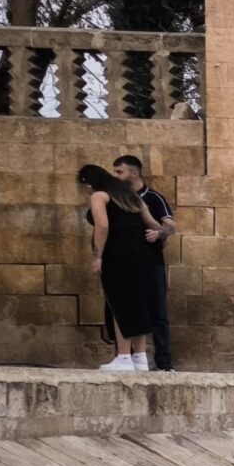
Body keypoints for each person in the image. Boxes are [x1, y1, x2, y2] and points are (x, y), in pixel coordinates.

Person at [78, 163, 158, 370]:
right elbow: (153, 224)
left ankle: (123, 358)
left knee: (120, 304)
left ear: (88, 184)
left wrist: (98, 256)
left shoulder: (99, 196)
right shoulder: (132, 197)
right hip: (142, 254)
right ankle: (140, 358)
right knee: (139, 304)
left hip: (118, 254)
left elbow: (103, 225)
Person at [111, 154, 176, 369]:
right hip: (126, 264)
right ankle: (127, 359)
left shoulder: (153, 198)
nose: (116, 176)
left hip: (152, 263)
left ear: (134, 173)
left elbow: (170, 226)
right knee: (126, 309)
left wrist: (159, 234)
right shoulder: (116, 198)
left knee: (157, 312)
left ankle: (164, 364)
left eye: (120, 172)